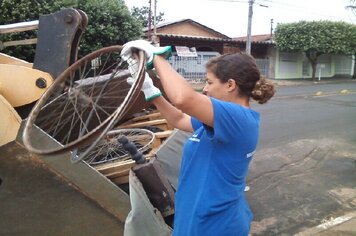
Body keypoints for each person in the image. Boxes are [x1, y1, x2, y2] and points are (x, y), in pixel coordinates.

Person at [121, 40, 275, 236]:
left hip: (215, 225)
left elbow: (183, 99)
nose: (205, 88)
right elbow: (179, 118)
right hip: (195, 218)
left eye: (209, 82)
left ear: (230, 85)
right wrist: (150, 90)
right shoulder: (218, 120)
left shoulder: (238, 118)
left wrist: (156, 56)